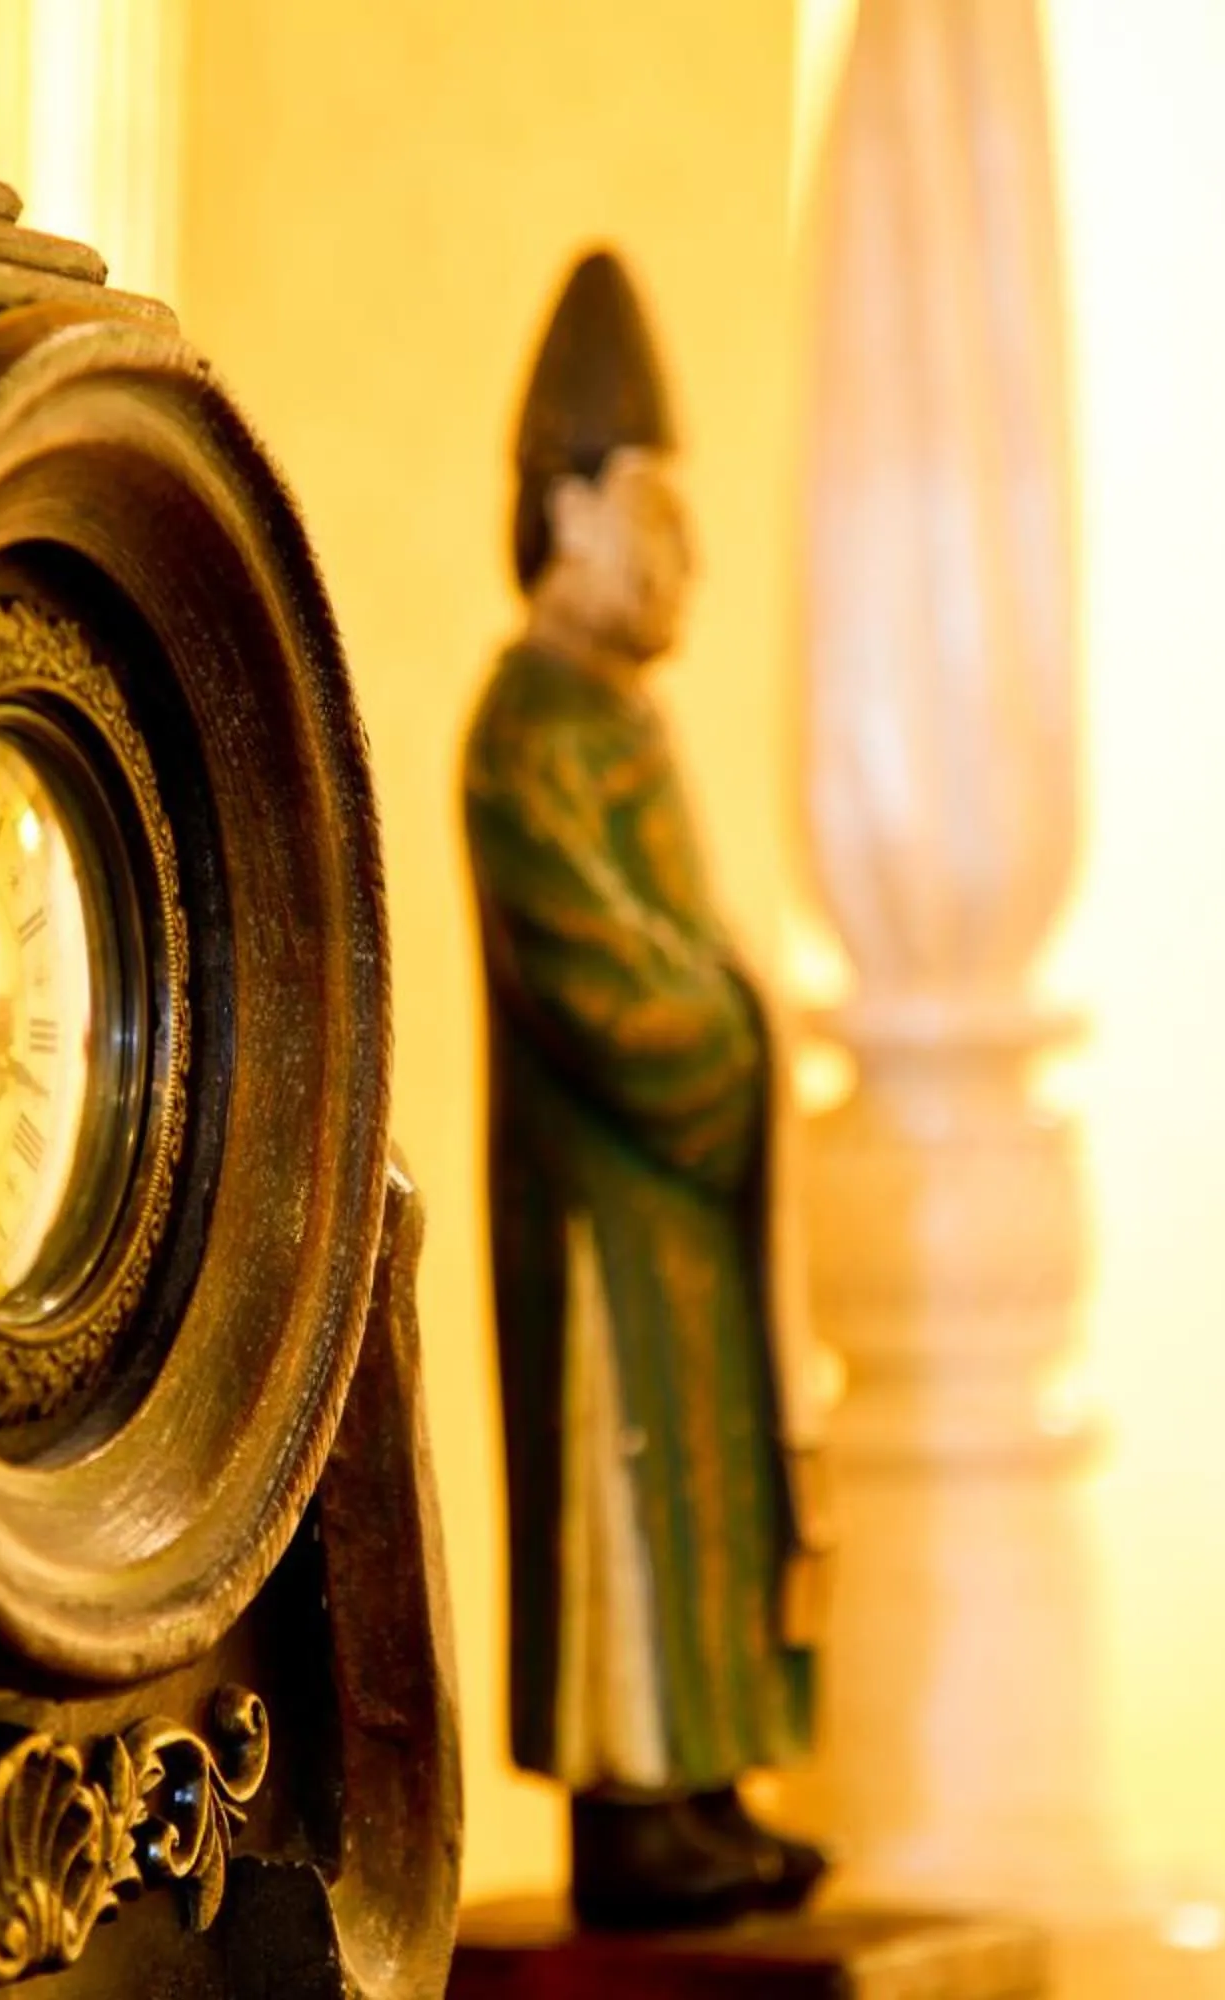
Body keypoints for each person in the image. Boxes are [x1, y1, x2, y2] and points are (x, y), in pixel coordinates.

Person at [462, 249, 824, 1931]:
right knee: (621, 1484)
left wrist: (739, 1026)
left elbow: (686, 939)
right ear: (573, 514)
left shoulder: (623, 721)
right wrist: (738, 1047)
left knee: (713, 1486)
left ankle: (711, 1780)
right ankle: (632, 1805)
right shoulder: (521, 727)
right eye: (658, 516)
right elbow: (601, 976)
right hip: (611, 1201)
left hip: (692, 1203)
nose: (689, 560)